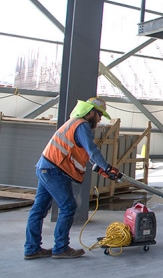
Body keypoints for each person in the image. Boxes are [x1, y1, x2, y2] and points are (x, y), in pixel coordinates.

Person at [24, 97, 122, 260]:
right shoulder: (82, 125)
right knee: (68, 207)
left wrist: (102, 168)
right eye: (98, 115)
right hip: (55, 170)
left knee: (39, 209)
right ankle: (61, 248)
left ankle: (32, 248)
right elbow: (92, 150)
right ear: (90, 112)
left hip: (45, 167)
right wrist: (107, 168)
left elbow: (83, 152)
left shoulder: (73, 123)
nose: (99, 119)